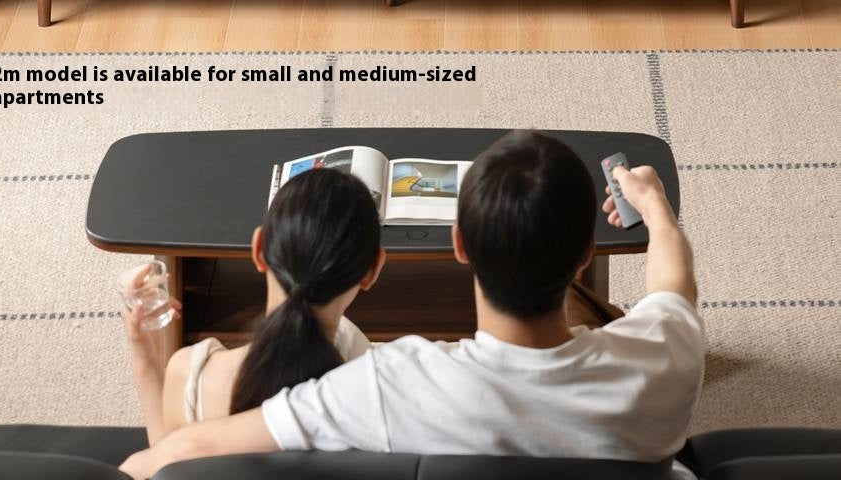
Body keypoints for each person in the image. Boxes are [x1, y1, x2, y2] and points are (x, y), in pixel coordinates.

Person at [121, 130, 704, 479]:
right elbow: (673, 286)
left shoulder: (393, 382)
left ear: (458, 246)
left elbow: (191, 448)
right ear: (586, 256)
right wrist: (652, 206)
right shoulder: (664, 353)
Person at [120, 167, 385, 445]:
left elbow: (165, 466)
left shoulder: (191, 377)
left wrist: (144, 357)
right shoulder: (377, 385)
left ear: (258, 249)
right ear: (372, 270)